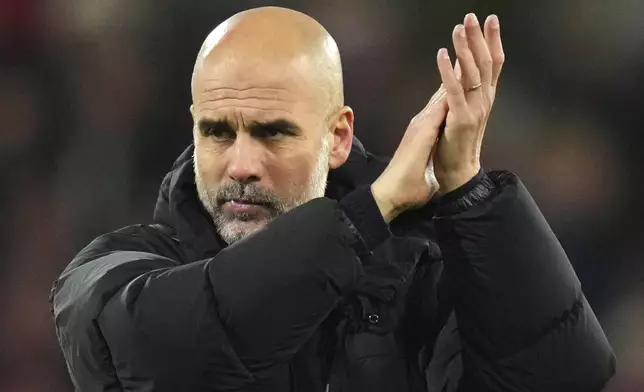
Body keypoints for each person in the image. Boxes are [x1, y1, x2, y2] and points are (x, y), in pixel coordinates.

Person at [50, 6, 615, 392]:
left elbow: (559, 375)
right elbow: (168, 353)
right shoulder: (112, 273)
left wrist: (467, 190)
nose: (242, 165)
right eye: (217, 131)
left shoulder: (419, 272)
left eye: (274, 132)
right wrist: (367, 215)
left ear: (338, 136)